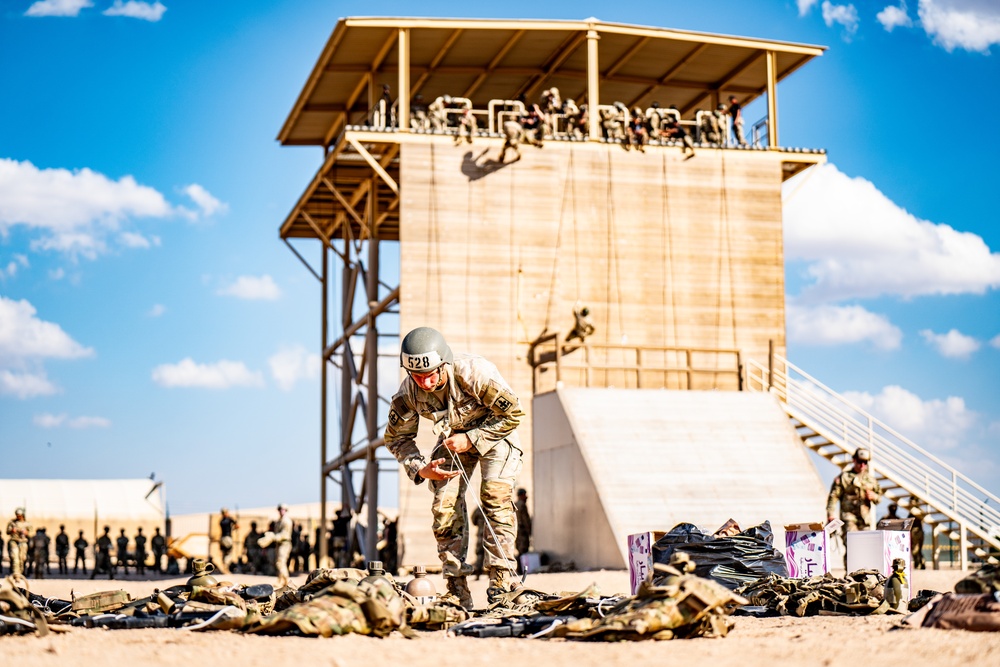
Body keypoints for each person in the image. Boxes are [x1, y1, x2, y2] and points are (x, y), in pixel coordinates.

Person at [384, 326, 524, 610]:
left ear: (443, 363)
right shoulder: (409, 393)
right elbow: (396, 437)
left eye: (431, 374)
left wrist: (471, 438)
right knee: (444, 504)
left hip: (495, 432)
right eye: (417, 376)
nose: (424, 382)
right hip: (453, 438)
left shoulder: (473, 374)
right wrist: (421, 468)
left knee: (494, 497)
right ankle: (457, 589)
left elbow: (513, 414)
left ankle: (503, 583)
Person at [826, 447, 883, 557]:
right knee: (852, 546)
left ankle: (863, 573)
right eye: (860, 461)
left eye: (865, 462)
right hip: (849, 517)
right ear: (854, 460)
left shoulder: (871, 480)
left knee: (866, 548)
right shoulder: (843, 478)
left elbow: (879, 497)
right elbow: (833, 497)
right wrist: (831, 515)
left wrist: (874, 496)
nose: (862, 465)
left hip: (865, 519)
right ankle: (850, 573)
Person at [5, 507, 31, 581]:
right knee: (15, 558)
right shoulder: (12, 523)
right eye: (17, 515)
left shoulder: (27, 523)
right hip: (14, 541)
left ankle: (21, 573)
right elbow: (7, 532)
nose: (18, 516)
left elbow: (31, 532)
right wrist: (12, 530)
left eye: (20, 515)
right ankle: (16, 576)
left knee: (22, 558)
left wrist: (26, 532)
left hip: (23, 542)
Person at [273, 504, 293, 587]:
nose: (281, 511)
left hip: (285, 543)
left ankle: (286, 580)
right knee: (280, 562)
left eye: (283, 509)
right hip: (279, 544)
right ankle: (281, 580)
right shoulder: (279, 521)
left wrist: (274, 537)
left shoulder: (286, 521)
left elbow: (285, 534)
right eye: (280, 509)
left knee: (281, 562)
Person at [515, 488, 532, 567]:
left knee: (519, 549)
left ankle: (520, 568)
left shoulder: (515, 504)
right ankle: (521, 568)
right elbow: (525, 519)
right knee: (523, 549)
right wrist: (529, 530)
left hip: (516, 531)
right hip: (522, 531)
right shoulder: (522, 505)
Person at [218, 507, 239, 574]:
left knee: (224, 553)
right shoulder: (229, 519)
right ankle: (226, 568)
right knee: (229, 554)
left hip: (222, 538)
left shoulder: (221, 521)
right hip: (228, 538)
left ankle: (224, 568)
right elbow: (237, 526)